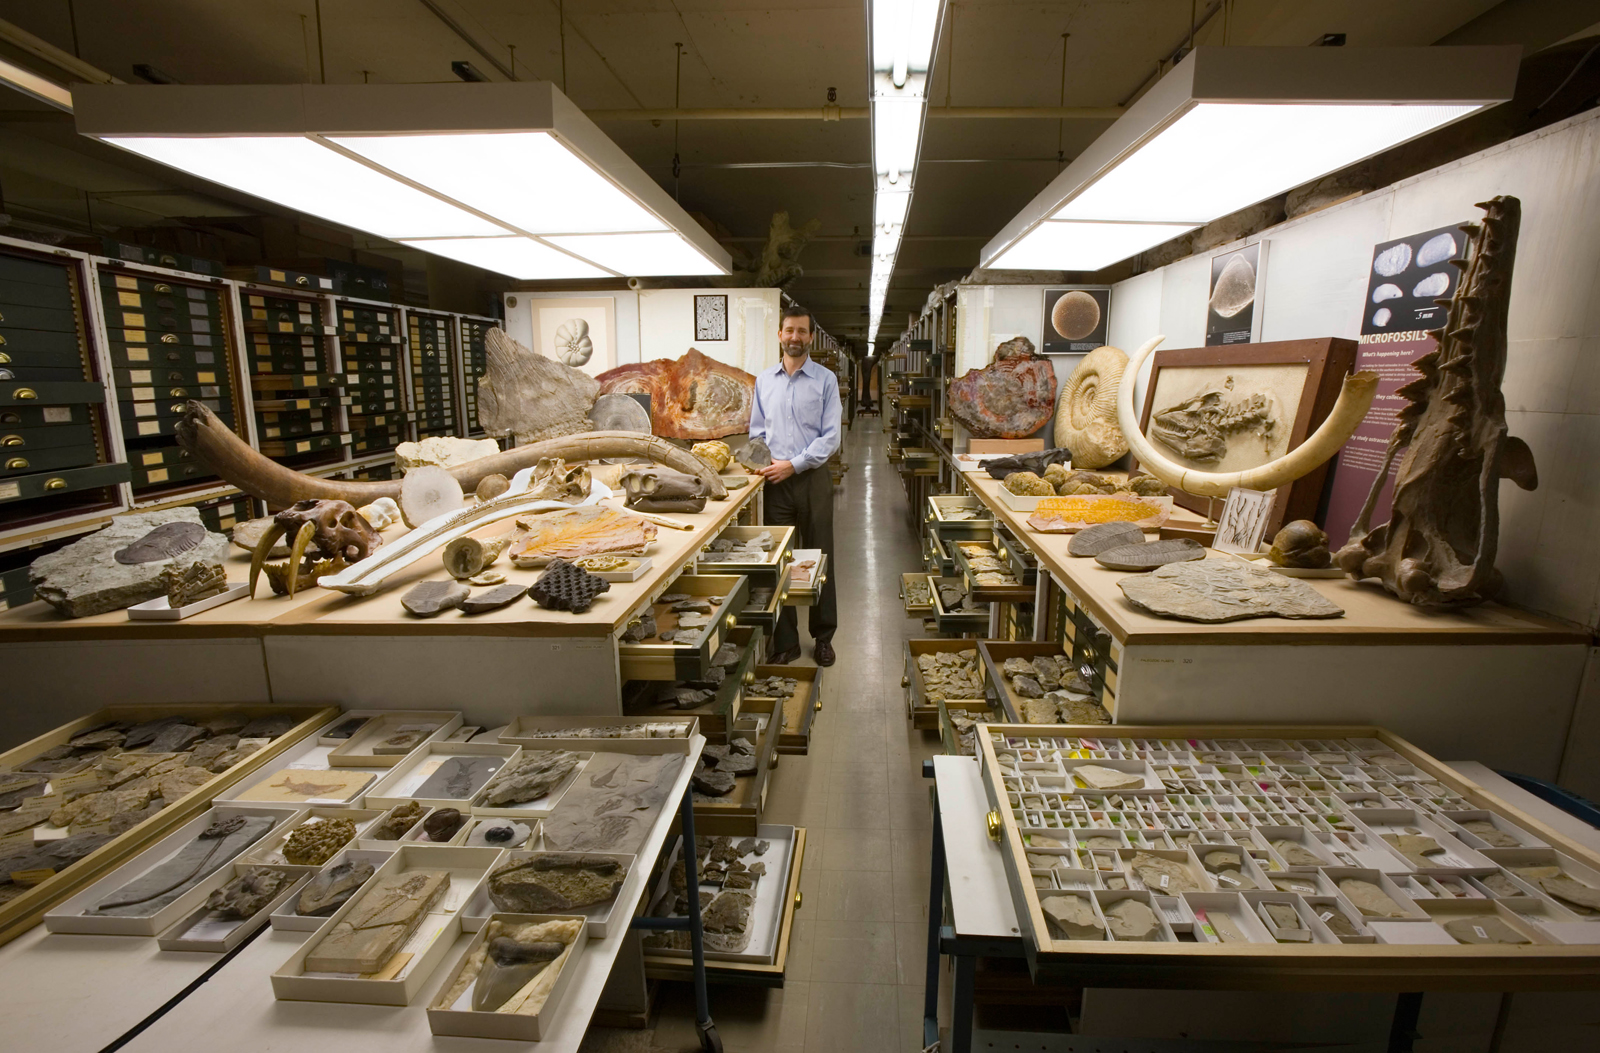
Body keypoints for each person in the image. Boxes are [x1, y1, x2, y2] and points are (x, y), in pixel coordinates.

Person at [748, 306, 841, 666]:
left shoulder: (825, 380)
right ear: (780, 335)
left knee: (819, 556)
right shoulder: (764, 381)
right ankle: (785, 642)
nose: (795, 337)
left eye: (802, 331)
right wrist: (767, 462)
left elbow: (831, 437)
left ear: (810, 337)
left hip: (812, 478)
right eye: (789, 331)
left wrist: (794, 464)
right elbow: (757, 431)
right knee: (780, 560)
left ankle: (823, 636)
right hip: (775, 480)